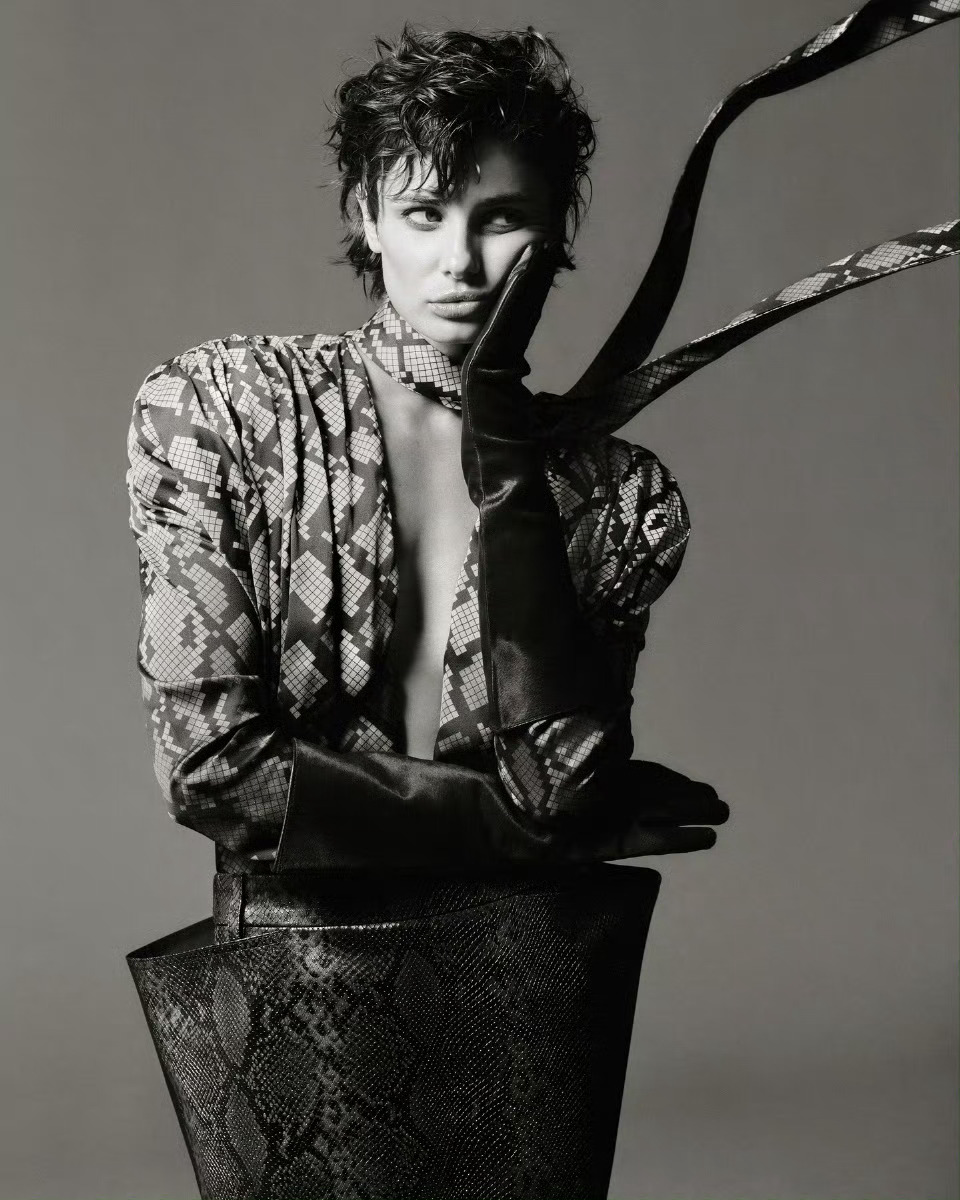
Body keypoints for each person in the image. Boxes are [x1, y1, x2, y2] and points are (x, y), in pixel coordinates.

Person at [124, 8, 957, 1200]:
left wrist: (511, 456)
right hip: (297, 977)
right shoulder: (217, 410)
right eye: (425, 215)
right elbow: (212, 770)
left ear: (555, 232)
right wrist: (525, 829)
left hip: (522, 983)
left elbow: (555, 780)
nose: (461, 263)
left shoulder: (621, 501)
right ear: (364, 214)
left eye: (502, 217)